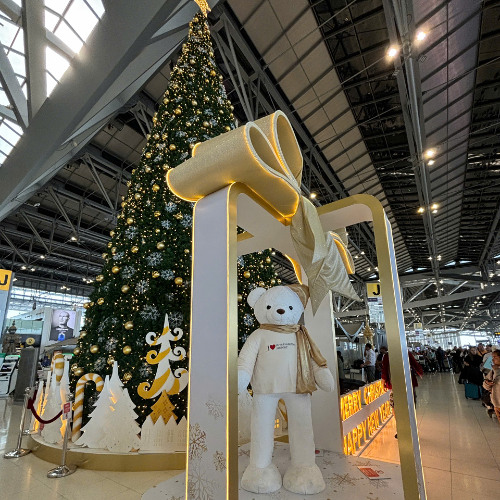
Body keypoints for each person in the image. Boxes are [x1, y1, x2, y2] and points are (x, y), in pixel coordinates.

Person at [381, 349, 423, 438]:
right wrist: (420, 372)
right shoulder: (406, 352)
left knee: (395, 407)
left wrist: (383, 382)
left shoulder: (387, 356)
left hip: (395, 384)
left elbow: (385, 370)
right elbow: (415, 364)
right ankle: (410, 428)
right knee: (409, 406)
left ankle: (401, 429)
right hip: (408, 384)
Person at [483, 349, 500, 423]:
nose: (492, 360)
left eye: (495, 357)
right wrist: (487, 383)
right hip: (496, 403)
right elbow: (485, 386)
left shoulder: (495, 370)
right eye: (492, 357)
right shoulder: (493, 370)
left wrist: (496, 371)